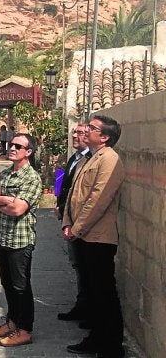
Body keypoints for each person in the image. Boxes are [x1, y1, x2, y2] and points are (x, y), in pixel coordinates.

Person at [63, 115, 125, 358]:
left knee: (104, 293)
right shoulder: (88, 158)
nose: (85, 130)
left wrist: (76, 228)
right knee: (92, 293)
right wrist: (67, 222)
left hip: (99, 238)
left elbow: (98, 200)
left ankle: (111, 346)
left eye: (92, 128)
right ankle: (95, 338)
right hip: (83, 235)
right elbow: (72, 192)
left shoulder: (109, 159)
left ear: (105, 136)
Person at [0, 133, 42, 347]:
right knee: (7, 283)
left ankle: (25, 329)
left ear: (28, 152)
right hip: (3, 236)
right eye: (11, 144)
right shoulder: (6, 173)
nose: (12, 148)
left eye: (18, 145)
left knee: (21, 286)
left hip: (21, 239)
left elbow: (18, 209)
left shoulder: (32, 178)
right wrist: (5, 200)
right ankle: (12, 321)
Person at [55, 124, 90, 323]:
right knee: (77, 265)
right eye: (74, 132)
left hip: (81, 223)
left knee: (85, 267)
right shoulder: (73, 158)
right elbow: (63, 180)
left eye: (79, 133)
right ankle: (81, 305)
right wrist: (58, 201)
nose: (74, 135)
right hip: (68, 218)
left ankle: (87, 309)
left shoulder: (90, 159)